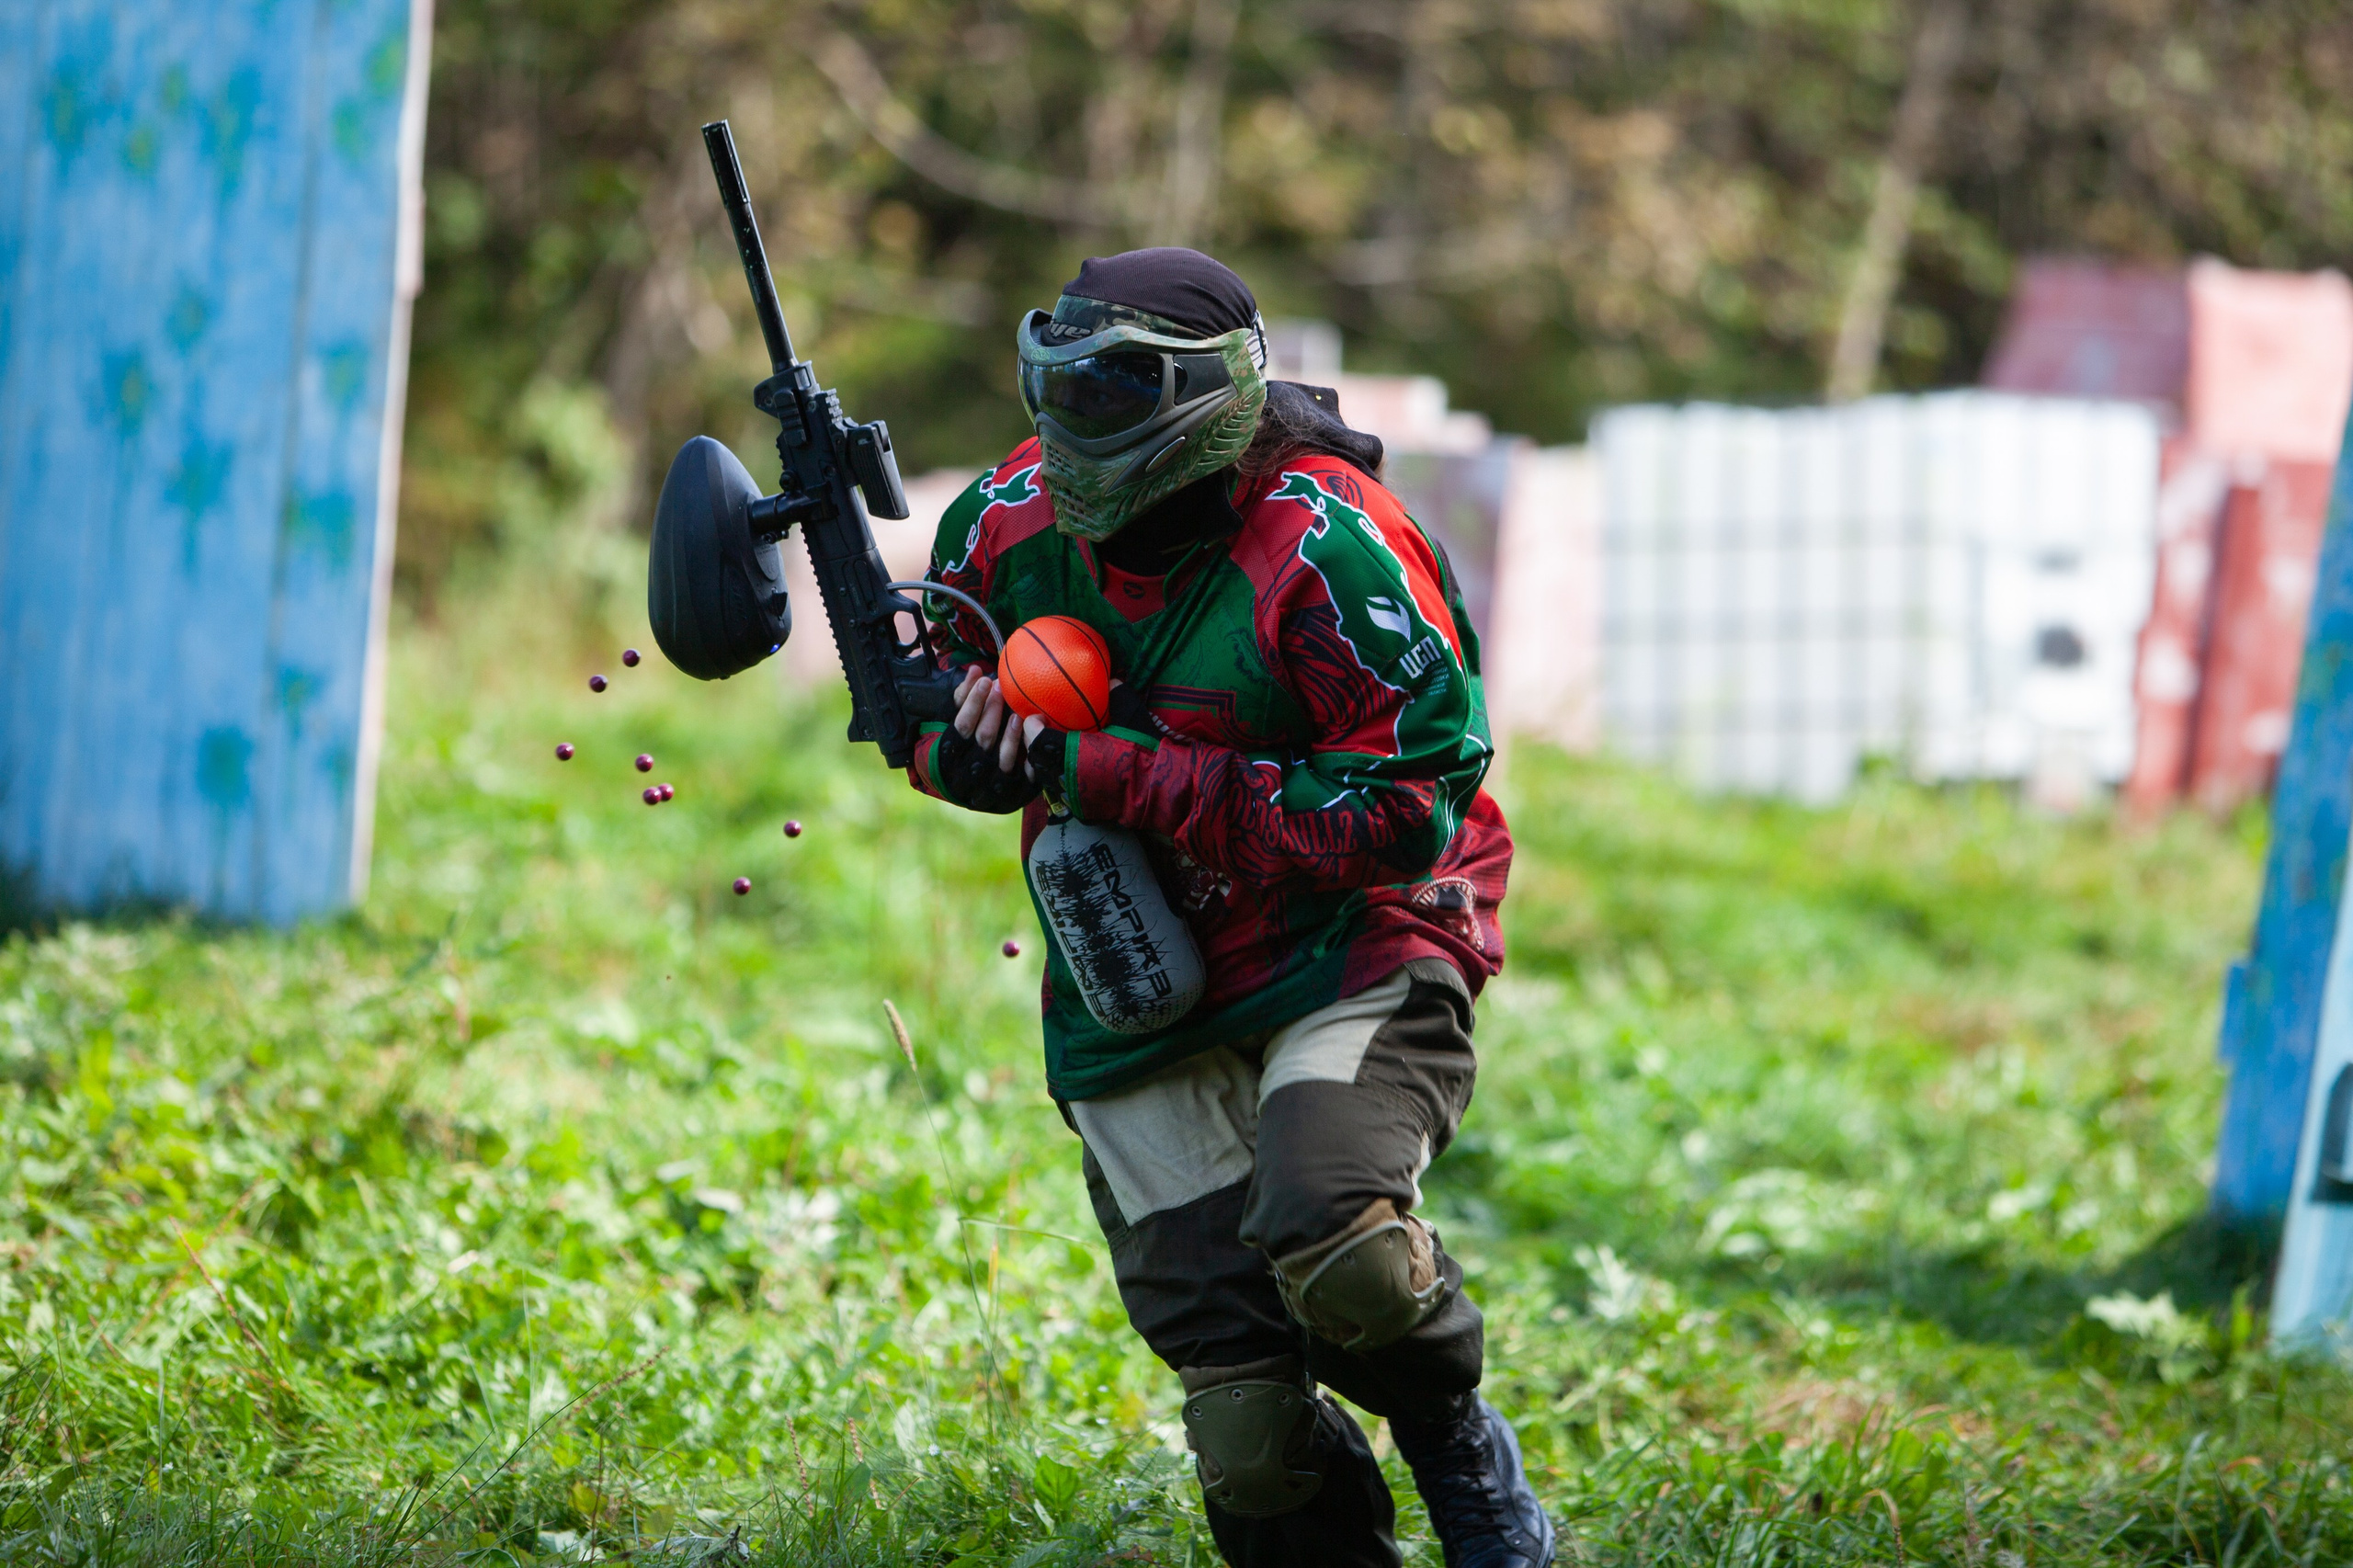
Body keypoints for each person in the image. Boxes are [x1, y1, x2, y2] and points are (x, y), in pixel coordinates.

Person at [905, 247, 1552, 1568]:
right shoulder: (1002, 525)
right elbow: (932, 697)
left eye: (1120, 391)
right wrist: (959, 751)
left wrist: (1103, 768)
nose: (1080, 426)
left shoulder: (1334, 546)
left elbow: (1402, 810)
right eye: (1062, 389)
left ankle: (1458, 1449)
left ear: (1211, 394)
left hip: (1356, 942)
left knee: (1345, 1246)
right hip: (1135, 963)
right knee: (1249, 1429)